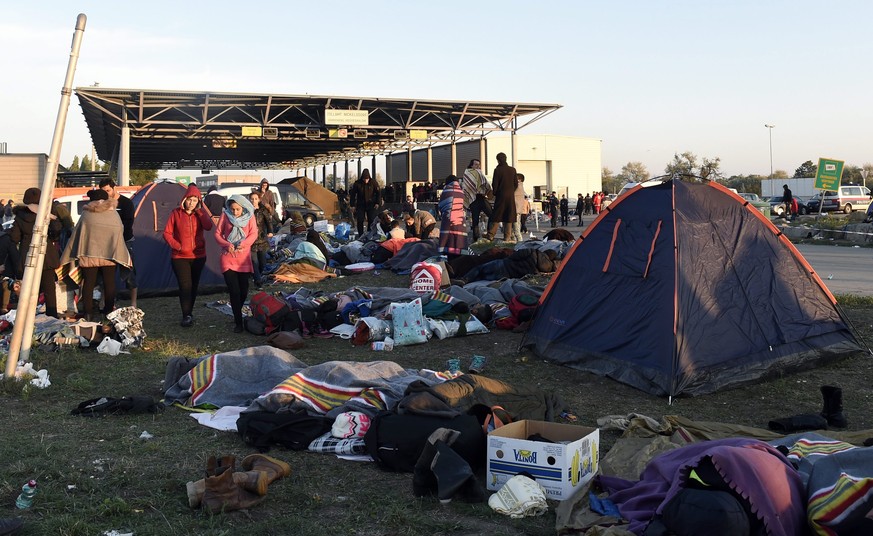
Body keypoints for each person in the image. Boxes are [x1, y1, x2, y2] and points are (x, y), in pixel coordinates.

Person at [60, 189, 131, 321]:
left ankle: (88, 313)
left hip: (88, 254)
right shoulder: (113, 214)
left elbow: (77, 232)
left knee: (88, 284)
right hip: (110, 255)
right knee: (109, 283)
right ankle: (109, 311)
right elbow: (120, 229)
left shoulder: (86, 214)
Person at [162, 184, 214, 327]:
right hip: (180, 257)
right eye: (189, 199)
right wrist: (177, 246)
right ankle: (186, 315)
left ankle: (189, 312)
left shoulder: (200, 214)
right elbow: (166, 233)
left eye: (195, 200)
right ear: (184, 199)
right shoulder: (176, 213)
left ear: (198, 201)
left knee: (194, 285)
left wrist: (201, 212)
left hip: (198, 256)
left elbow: (209, 227)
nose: (192, 203)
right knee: (185, 285)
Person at [10, 187, 63, 318]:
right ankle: (52, 317)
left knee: (28, 289)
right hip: (46, 254)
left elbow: (14, 238)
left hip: (28, 256)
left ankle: (28, 316)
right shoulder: (47, 214)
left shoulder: (19, 217)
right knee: (49, 290)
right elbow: (56, 233)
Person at [214, 195, 258, 333]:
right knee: (234, 291)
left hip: (243, 258)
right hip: (228, 257)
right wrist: (227, 244)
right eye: (232, 209)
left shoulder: (250, 217)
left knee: (243, 290)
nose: (235, 212)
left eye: (237, 209)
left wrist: (243, 244)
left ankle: (236, 310)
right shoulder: (225, 215)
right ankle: (238, 322)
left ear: (243, 207)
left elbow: (253, 233)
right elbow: (217, 234)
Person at [99, 179, 138, 308]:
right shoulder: (102, 204)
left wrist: (117, 233)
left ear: (114, 188)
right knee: (107, 273)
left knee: (129, 271)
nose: (106, 193)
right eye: (103, 191)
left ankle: (133, 302)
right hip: (107, 243)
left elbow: (129, 222)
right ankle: (106, 301)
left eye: (108, 190)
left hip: (125, 241)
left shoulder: (126, 203)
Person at [248, 191, 279, 290]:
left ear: (259, 200)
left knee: (262, 263)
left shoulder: (262, 210)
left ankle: (256, 276)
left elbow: (268, 221)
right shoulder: (247, 210)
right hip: (251, 240)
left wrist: (270, 231)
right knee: (254, 262)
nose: (253, 201)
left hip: (261, 239)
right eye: (252, 199)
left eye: (255, 199)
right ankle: (258, 282)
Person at [486, 153, 518, 242]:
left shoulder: (497, 170)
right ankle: (507, 237)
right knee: (509, 215)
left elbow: (495, 184)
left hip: (501, 196)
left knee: (497, 215)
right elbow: (516, 184)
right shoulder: (512, 170)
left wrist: (496, 193)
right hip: (510, 197)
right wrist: (511, 191)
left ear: (498, 160)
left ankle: (491, 235)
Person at [461, 159, 493, 242]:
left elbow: (486, 183)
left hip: (481, 197)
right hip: (473, 198)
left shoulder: (479, 172)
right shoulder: (467, 173)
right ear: (471, 165)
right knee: (475, 219)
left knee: (492, 215)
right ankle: (476, 237)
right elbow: (467, 186)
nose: (477, 166)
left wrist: (485, 191)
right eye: (475, 164)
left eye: (478, 164)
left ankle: (489, 233)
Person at [437, 174, 468, 258]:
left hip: (448, 218)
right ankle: (459, 253)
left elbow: (441, 205)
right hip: (460, 219)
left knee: (447, 237)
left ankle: (446, 254)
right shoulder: (461, 192)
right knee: (458, 237)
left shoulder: (446, 191)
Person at [349, 169, 381, 236]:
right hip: (361, 204)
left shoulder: (373, 182)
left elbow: (378, 193)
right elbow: (353, 194)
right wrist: (352, 205)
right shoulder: (357, 183)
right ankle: (361, 234)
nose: (366, 181)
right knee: (360, 220)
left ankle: (370, 233)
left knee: (371, 220)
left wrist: (377, 202)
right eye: (364, 179)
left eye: (367, 179)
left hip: (371, 204)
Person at [513, 173, 528, 239]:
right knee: (516, 227)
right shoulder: (521, 186)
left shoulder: (518, 186)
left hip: (516, 209)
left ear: (519, 180)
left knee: (516, 228)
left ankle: (519, 241)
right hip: (518, 210)